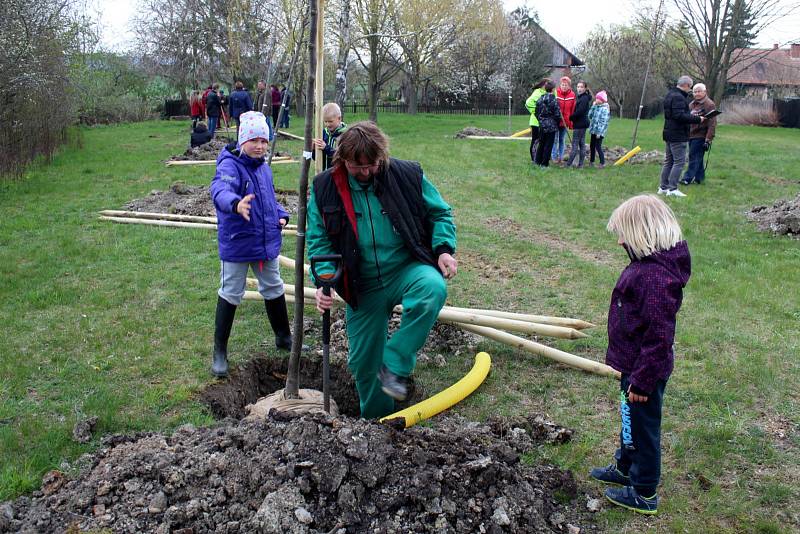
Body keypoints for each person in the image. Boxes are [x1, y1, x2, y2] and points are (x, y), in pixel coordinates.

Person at [307, 121, 458, 419]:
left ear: (381, 158)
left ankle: (396, 360)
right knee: (364, 363)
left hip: (405, 268)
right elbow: (319, 240)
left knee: (432, 289)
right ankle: (376, 424)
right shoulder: (325, 187)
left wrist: (443, 250)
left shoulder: (407, 175)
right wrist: (325, 281)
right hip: (361, 284)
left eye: (371, 166)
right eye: (356, 167)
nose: (364, 173)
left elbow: (440, 213)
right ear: (342, 160)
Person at [590, 194, 691, 516]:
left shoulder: (655, 278)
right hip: (632, 365)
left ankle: (644, 490)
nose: (619, 241)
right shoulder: (646, 267)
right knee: (629, 419)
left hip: (645, 372)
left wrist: (643, 383)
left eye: (623, 234)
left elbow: (660, 337)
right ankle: (624, 466)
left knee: (643, 428)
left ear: (642, 235)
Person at [208, 111, 294, 378]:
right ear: (242, 140)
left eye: (264, 141)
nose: (259, 146)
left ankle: (283, 336)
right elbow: (220, 191)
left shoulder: (263, 167)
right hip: (238, 243)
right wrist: (236, 204)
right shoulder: (230, 165)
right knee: (232, 290)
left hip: (265, 242)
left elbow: (267, 200)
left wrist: (280, 214)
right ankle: (219, 351)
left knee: (273, 287)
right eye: (254, 140)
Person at [659, 76, 705, 197]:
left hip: (668, 132)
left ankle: (663, 187)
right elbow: (679, 116)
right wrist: (697, 119)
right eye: (690, 87)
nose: (690, 90)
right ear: (686, 85)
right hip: (678, 134)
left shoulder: (670, 94)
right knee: (679, 162)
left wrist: (690, 115)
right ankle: (672, 189)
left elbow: (675, 114)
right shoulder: (679, 97)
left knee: (668, 161)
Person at [680, 83, 716, 185]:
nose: (697, 93)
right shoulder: (691, 104)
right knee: (697, 157)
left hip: (701, 135)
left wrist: (708, 139)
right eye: (695, 91)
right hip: (690, 134)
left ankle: (687, 178)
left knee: (693, 156)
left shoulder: (709, 104)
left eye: (699, 91)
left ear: (705, 92)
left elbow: (712, 123)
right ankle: (699, 178)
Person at [534, 80, 561, 167]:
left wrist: (540, 120)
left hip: (542, 125)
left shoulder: (540, 99)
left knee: (541, 143)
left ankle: (537, 161)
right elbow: (557, 114)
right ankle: (544, 164)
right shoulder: (554, 100)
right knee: (548, 145)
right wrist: (555, 122)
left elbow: (536, 112)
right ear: (553, 89)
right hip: (551, 126)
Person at [312, 103, 347, 170]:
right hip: (324, 173)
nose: (327, 124)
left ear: (339, 118)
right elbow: (317, 158)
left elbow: (341, 157)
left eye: (330, 121)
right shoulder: (323, 133)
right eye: (325, 121)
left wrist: (326, 147)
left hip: (338, 173)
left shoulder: (345, 135)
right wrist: (314, 150)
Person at [565, 81, 592, 168]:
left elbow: (579, 111)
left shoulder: (584, 99)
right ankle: (580, 165)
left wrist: (571, 117)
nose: (579, 89)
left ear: (585, 89)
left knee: (575, 145)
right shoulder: (583, 97)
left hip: (580, 124)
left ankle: (568, 164)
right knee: (581, 144)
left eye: (581, 87)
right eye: (578, 87)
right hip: (582, 124)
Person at [551, 76, 575, 164]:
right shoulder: (556, 93)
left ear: (569, 86)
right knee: (555, 139)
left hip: (565, 121)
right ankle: (553, 157)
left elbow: (572, 109)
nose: (564, 86)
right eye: (562, 85)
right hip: (556, 120)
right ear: (560, 85)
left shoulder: (572, 95)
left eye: (566, 85)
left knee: (562, 139)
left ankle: (560, 157)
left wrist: (571, 122)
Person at [525, 79, 549, 164]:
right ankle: (533, 158)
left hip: (545, 122)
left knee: (542, 141)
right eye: (547, 84)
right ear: (543, 85)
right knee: (535, 140)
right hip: (536, 122)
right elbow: (528, 103)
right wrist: (536, 112)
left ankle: (540, 158)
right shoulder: (537, 93)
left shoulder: (549, 93)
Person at [588, 91, 610, 168]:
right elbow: (589, 116)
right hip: (593, 130)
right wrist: (593, 107)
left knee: (598, 146)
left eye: (598, 98)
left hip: (599, 132)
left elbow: (603, 122)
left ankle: (602, 162)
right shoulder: (596, 107)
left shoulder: (605, 109)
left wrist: (599, 133)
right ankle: (592, 161)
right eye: (596, 98)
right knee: (592, 146)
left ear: (602, 100)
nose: (596, 100)